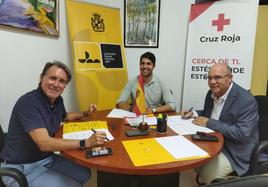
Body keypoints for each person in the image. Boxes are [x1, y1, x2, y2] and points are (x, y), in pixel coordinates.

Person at [0, 61, 107, 187]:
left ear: (65, 85)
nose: (56, 84)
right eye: (53, 78)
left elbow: (65, 116)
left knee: (85, 173)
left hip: (45, 159)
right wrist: (86, 142)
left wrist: (85, 113)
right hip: (21, 168)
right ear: (41, 78)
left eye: (62, 81)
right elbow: (44, 143)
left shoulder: (56, 100)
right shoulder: (28, 102)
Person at [181, 63, 259, 184]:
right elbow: (209, 113)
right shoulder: (211, 93)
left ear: (230, 78)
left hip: (235, 151)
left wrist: (208, 122)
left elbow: (242, 134)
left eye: (217, 77)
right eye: (210, 78)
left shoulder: (246, 100)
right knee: (189, 158)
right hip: (214, 142)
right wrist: (194, 113)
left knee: (207, 173)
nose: (212, 82)